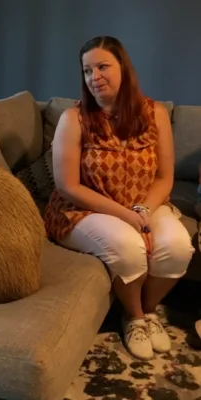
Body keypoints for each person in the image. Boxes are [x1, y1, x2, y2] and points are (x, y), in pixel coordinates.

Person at [44, 35, 195, 361]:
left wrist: (142, 209)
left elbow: (164, 178)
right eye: (87, 70)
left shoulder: (154, 114)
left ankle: (150, 309)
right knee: (130, 246)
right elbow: (68, 186)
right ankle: (134, 316)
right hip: (83, 208)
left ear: (123, 68)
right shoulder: (74, 119)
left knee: (179, 246)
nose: (94, 77)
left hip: (144, 202)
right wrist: (127, 216)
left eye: (102, 67)